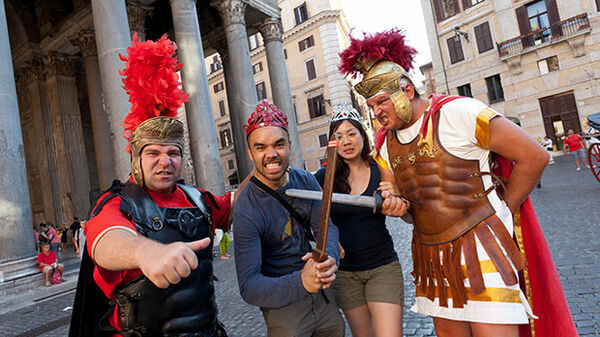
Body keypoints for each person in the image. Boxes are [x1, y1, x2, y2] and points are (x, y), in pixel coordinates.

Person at [339, 28, 577, 337]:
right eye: (371, 106)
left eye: (381, 101)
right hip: (431, 259)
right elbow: (411, 209)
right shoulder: (385, 146)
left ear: (407, 90)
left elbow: (534, 156)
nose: (376, 112)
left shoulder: (458, 111)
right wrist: (398, 206)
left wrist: (503, 212)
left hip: (484, 249)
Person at [69, 34, 231, 337]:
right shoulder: (116, 204)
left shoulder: (197, 199)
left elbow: (241, 203)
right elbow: (107, 241)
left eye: (173, 153)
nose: (164, 162)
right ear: (136, 159)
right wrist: (146, 252)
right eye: (153, 153)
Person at [234, 100, 348, 336]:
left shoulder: (305, 179)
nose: (271, 154)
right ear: (250, 153)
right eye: (261, 147)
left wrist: (329, 257)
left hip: (323, 297)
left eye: (278, 144)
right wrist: (301, 282)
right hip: (283, 307)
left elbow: (327, 226)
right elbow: (249, 287)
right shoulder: (246, 206)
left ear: (290, 146)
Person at [314, 102, 407, 337]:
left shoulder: (381, 168)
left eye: (351, 134)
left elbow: (406, 210)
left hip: (382, 267)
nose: (346, 141)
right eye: (339, 136)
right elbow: (305, 213)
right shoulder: (324, 177)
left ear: (363, 135)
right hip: (345, 274)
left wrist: (397, 199)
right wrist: (326, 239)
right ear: (332, 143)